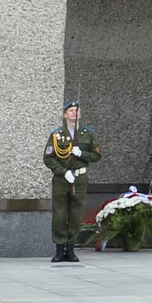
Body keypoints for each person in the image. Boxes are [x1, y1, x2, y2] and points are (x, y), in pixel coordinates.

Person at [42, 100, 100, 264]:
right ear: (64, 115)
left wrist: (81, 154)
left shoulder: (88, 134)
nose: (75, 112)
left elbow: (96, 155)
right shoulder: (57, 135)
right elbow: (48, 158)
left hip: (80, 178)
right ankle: (60, 249)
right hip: (62, 179)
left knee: (76, 213)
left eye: (77, 110)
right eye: (71, 110)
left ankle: (71, 248)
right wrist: (64, 172)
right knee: (60, 214)